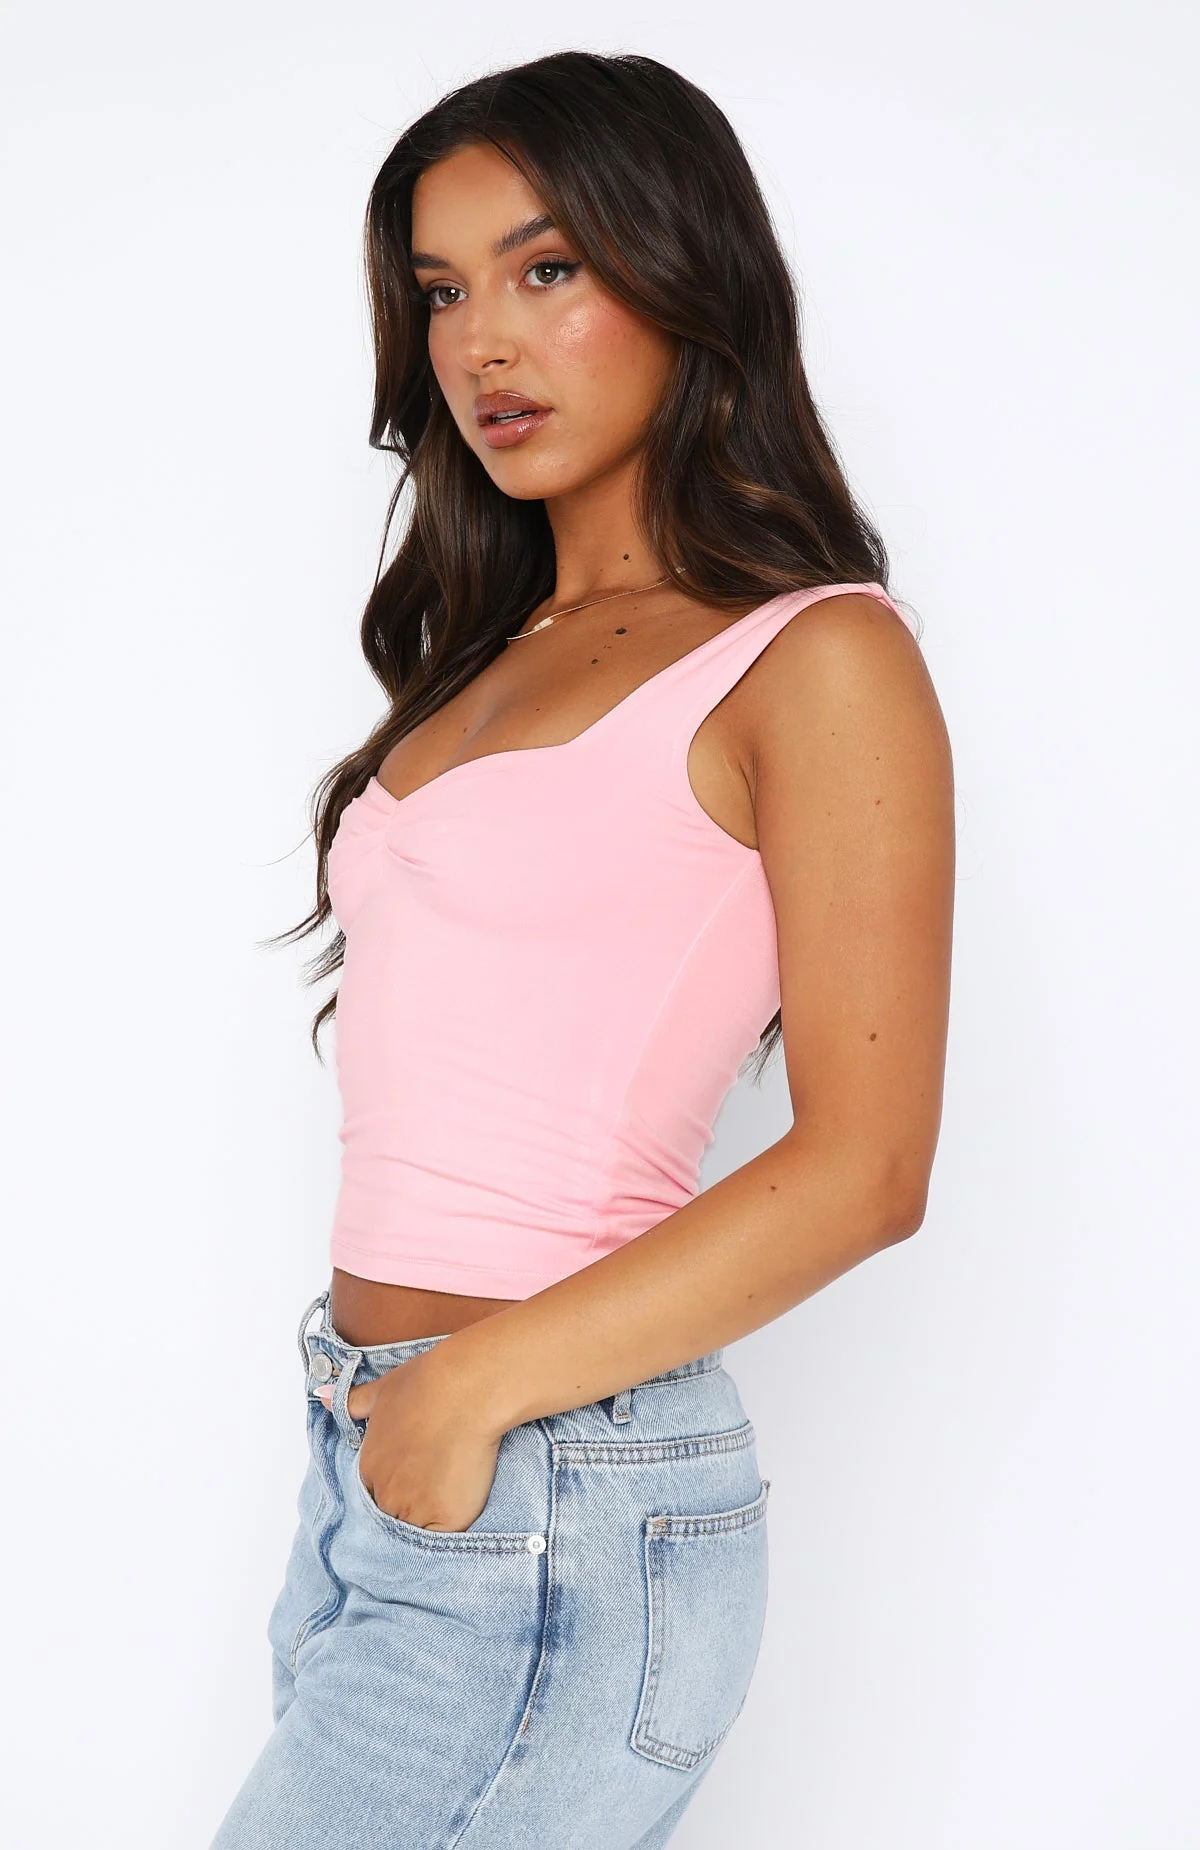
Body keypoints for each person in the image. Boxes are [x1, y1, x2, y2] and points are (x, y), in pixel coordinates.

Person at [211, 48, 955, 1850]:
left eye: (546, 269)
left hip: (550, 1480)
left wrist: (469, 1390)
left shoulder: (814, 657)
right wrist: (407, 1416)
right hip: (384, 1464)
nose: (483, 344)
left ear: (684, 270)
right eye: (442, 290)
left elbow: (867, 1166)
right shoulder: (492, 649)